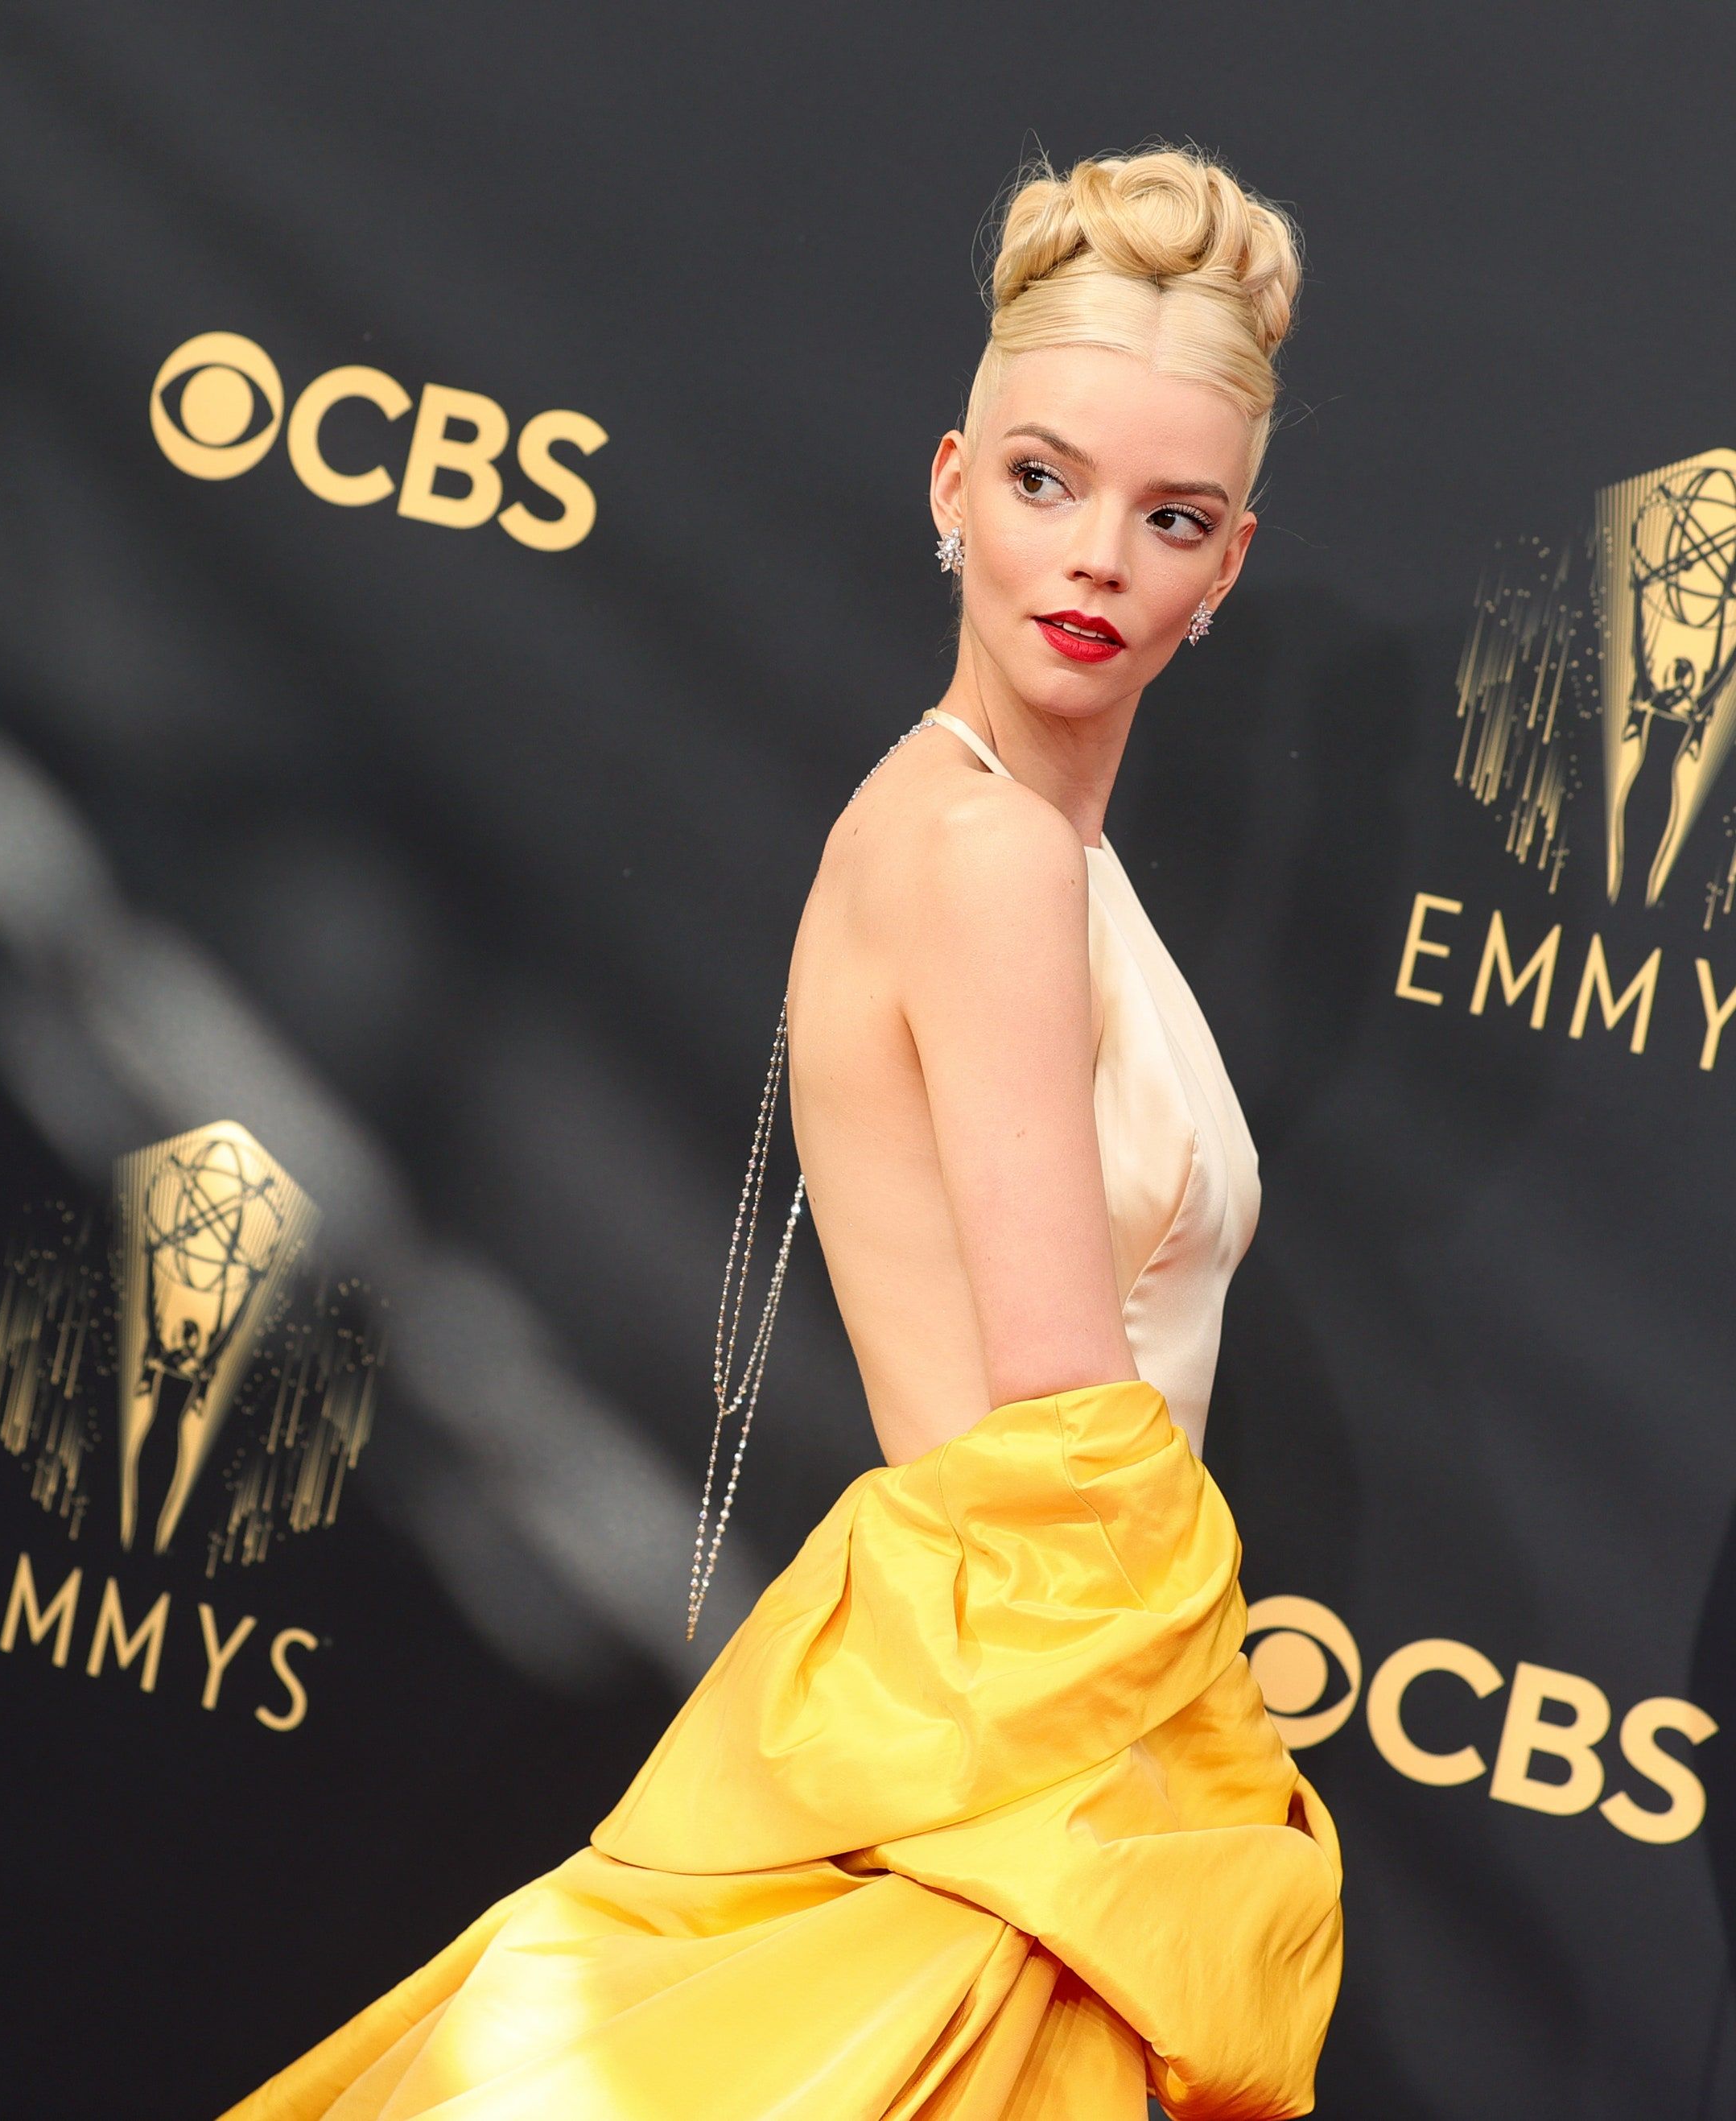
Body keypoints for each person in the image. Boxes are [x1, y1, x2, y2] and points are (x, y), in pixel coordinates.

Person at [221, 142, 1343, 2121]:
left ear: (1226, 564)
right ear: (948, 486)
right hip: (1012, 1793)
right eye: (1040, 481)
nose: (1093, 560)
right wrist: (1212, 1808)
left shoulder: (1015, 851)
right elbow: (1063, 1435)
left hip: (1021, 1759)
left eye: (1165, 516)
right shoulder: (979, 851)